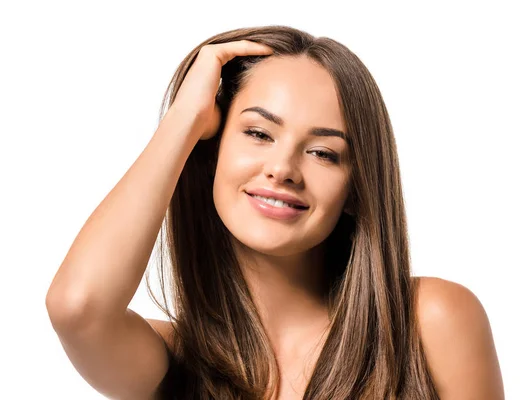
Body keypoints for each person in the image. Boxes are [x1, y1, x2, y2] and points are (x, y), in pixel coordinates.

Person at [45, 25, 504, 399]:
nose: (282, 170)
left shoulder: (431, 321)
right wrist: (183, 119)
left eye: (323, 153)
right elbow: (77, 306)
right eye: (259, 134)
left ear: (357, 188)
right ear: (209, 153)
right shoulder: (172, 364)